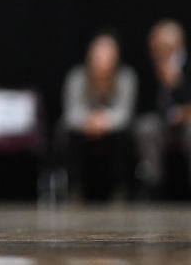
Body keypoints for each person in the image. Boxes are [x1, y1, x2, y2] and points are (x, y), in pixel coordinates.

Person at [58, 30, 137, 201]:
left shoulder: (126, 77)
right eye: (98, 55)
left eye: (108, 56)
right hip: (84, 131)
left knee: (126, 135)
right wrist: (89, 121)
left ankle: (121, 190)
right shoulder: (77, 77)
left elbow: (125, 113)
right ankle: (74, 188)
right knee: (65, 130)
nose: (102, 62)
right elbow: (71, 112)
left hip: (113, 132)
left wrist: (104, 121)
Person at [134, 19, 191, 199]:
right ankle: (153, 186)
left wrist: (178, 83)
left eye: (165, 45)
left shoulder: (188, 65)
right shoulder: (148, 68)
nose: (159, 49)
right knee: (146, 127)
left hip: (188, 120)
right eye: (156, 45)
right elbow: (144, 106)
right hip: (162, 122)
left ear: (179, 43)